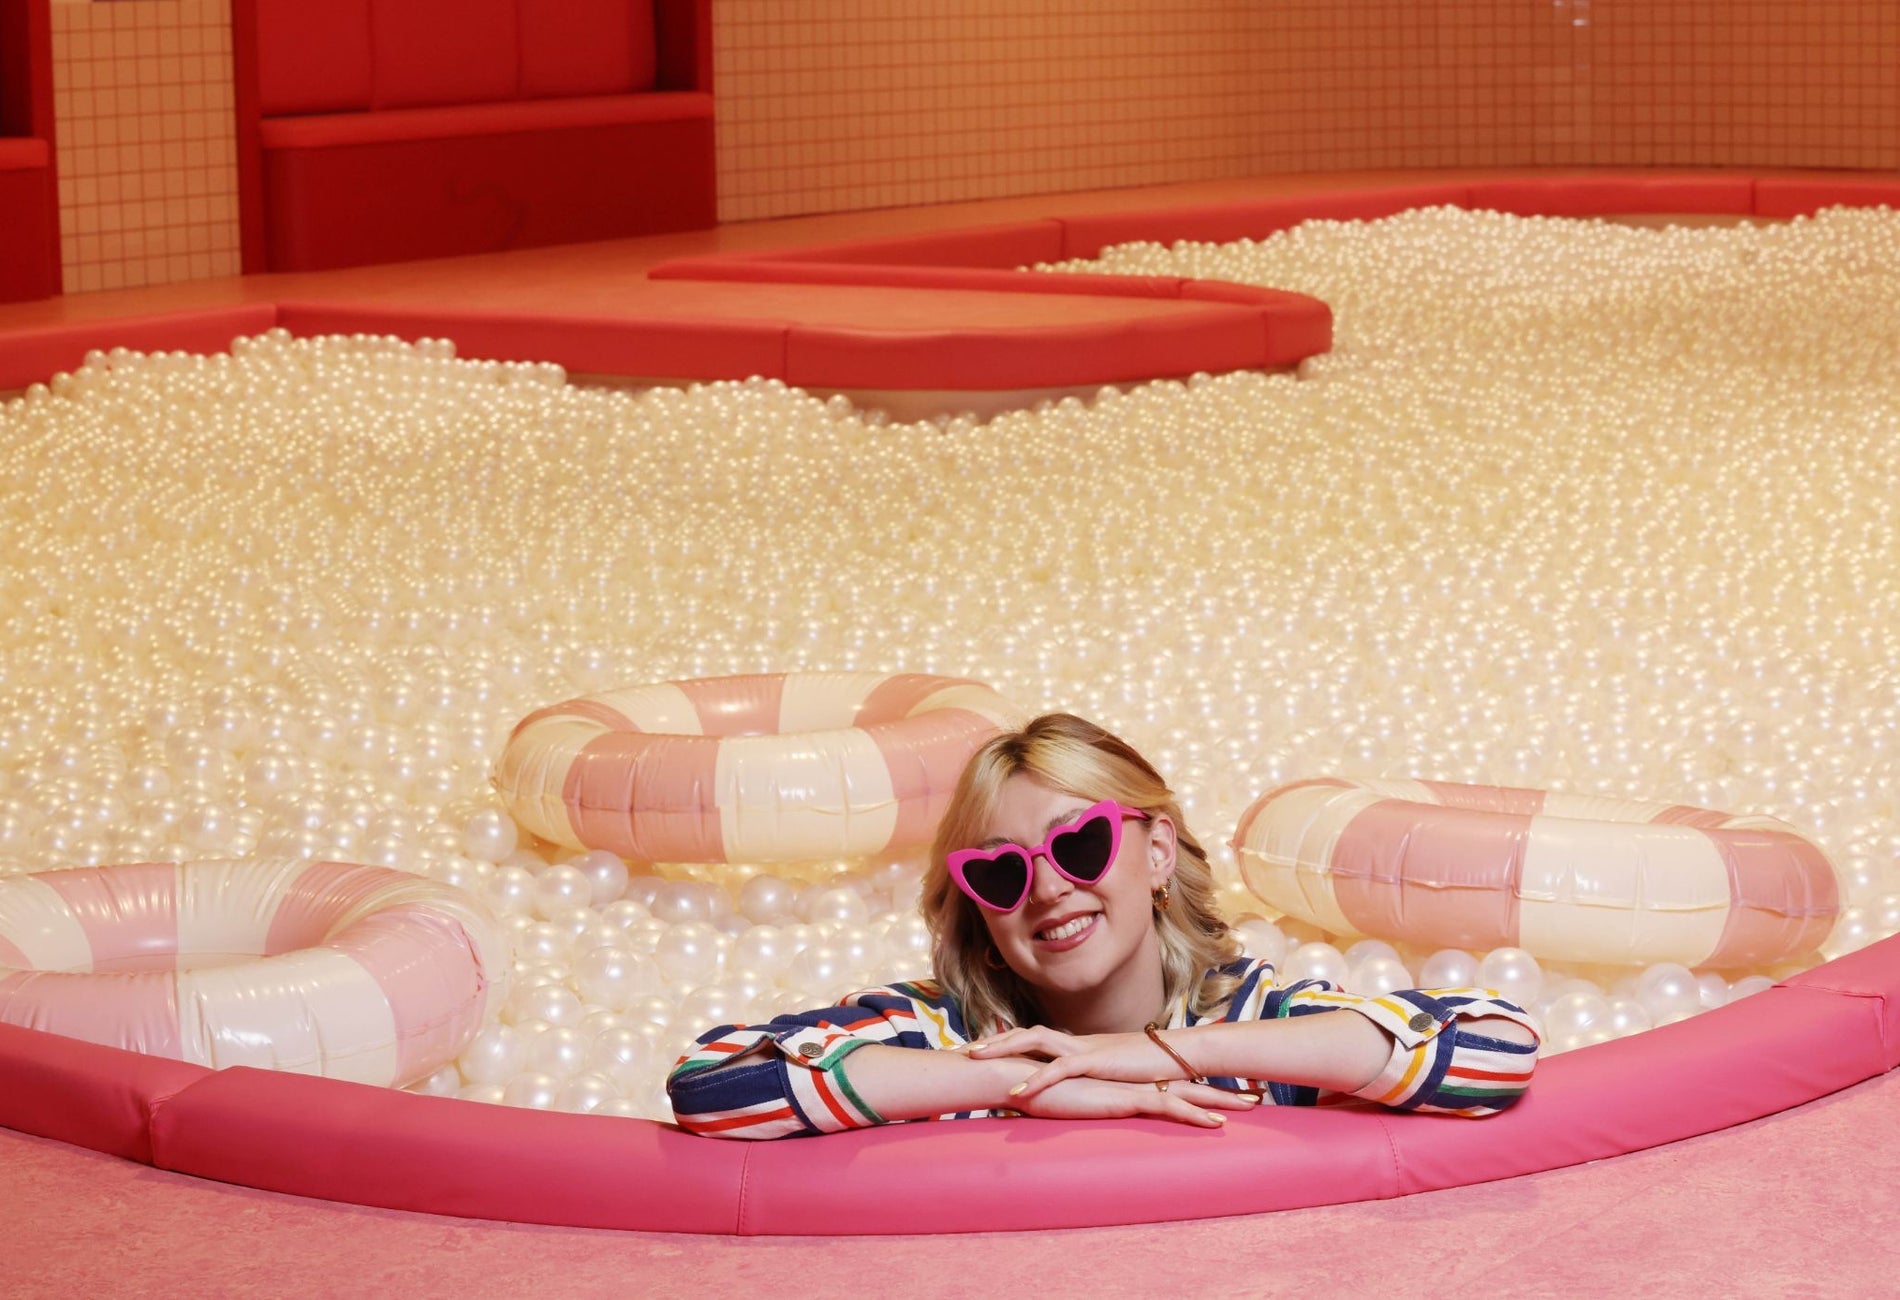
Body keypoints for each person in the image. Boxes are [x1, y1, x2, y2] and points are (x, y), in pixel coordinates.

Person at [668, 713, 1540, 1139]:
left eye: (1079, 845)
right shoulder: (943, 1036)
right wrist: (1025, 1085)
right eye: (1002, 870)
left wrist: (1172, 1055)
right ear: (974, 900)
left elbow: (1496, 1049)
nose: (1046, 888)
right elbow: (710, 1086)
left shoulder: (1256, 1022)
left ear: (1157, 852)